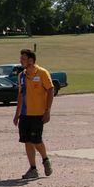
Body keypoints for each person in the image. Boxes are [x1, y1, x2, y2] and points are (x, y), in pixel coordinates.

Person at [13, 49, 54, 179]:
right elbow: (20, 95)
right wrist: (17, 114)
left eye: (23, 59)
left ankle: (46, 160)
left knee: (36, 140)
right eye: (21, 59)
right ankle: (33, 169)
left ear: (31, 60)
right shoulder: (21, 76)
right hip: (25, 114)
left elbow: (51, 89)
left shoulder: (42, 73)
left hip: (38, 114)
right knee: (27, 141)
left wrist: (48, 111)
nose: (21, 61)